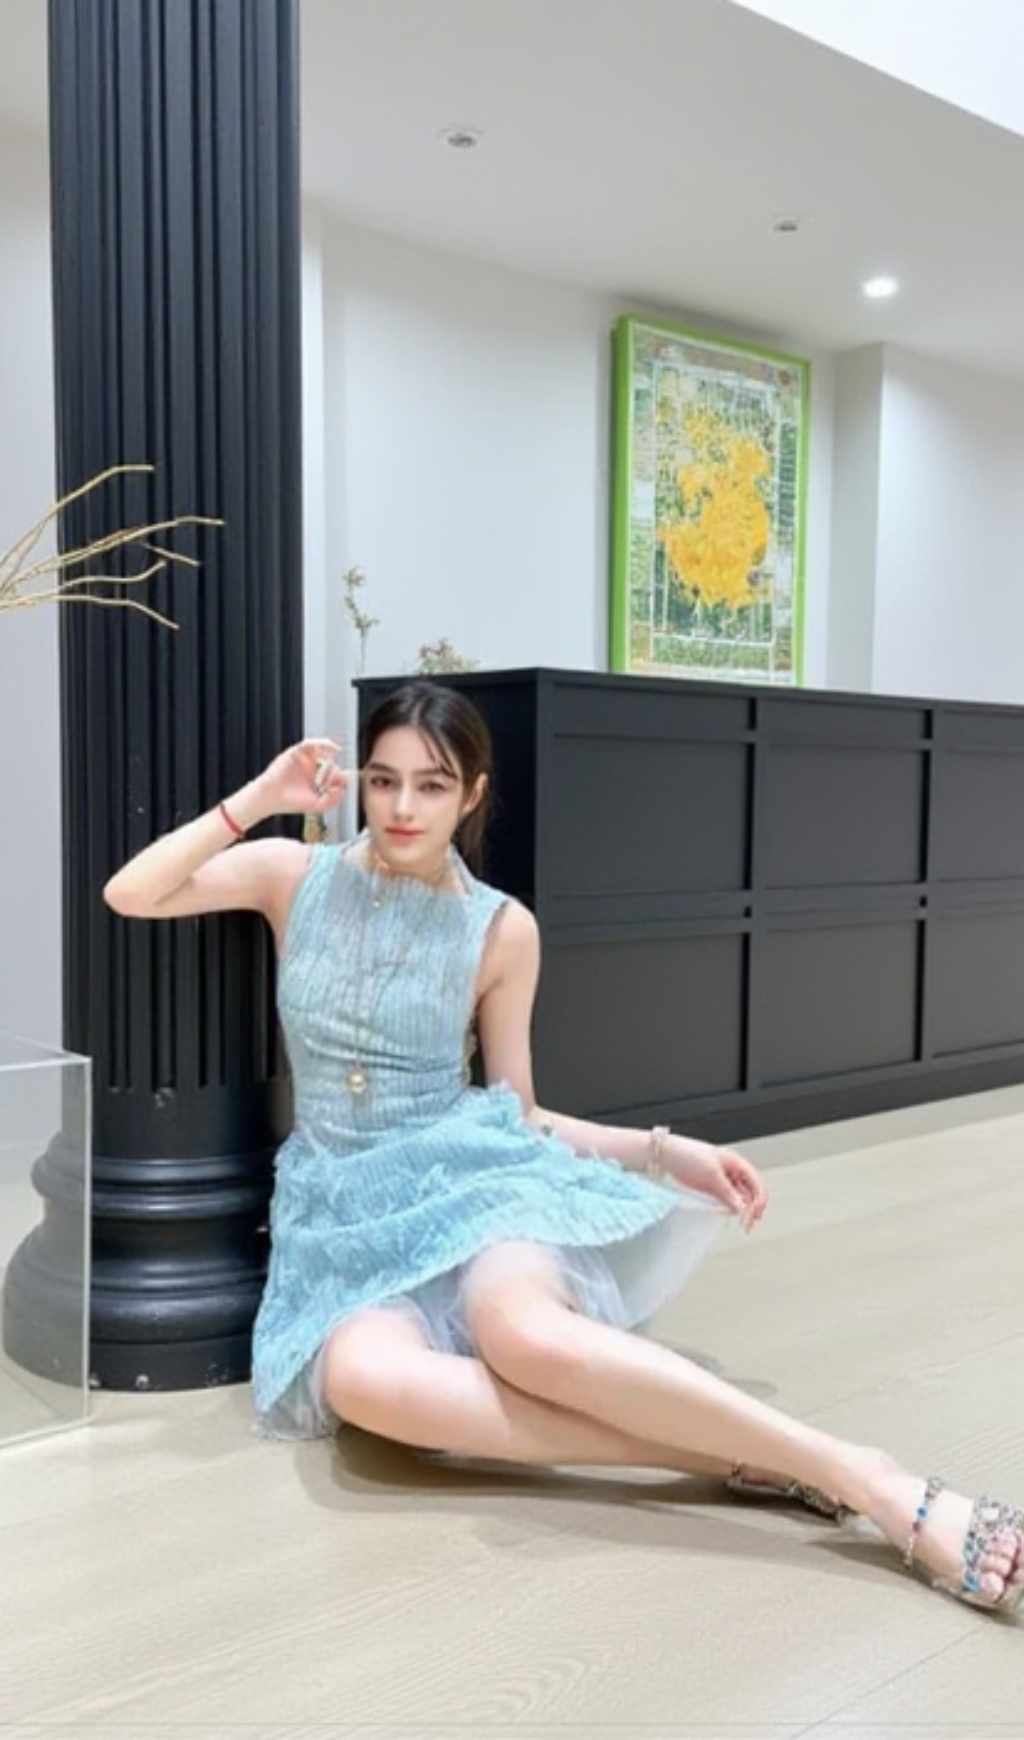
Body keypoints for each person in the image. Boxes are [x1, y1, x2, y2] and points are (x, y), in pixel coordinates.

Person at [104, 680, 1023, 1614]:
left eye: (432, 784)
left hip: (469, 1179)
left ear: (472, 794)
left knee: (527, 1336)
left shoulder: (500, 928)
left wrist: (664, 1152)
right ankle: (746, 1458)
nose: (403, 807)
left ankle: (862, 1474)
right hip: (342, 1218)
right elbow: (130, 893)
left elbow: (524, 1112)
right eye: (383, 780)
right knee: (365, 1386)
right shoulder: (294, 877)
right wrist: (263, 797)